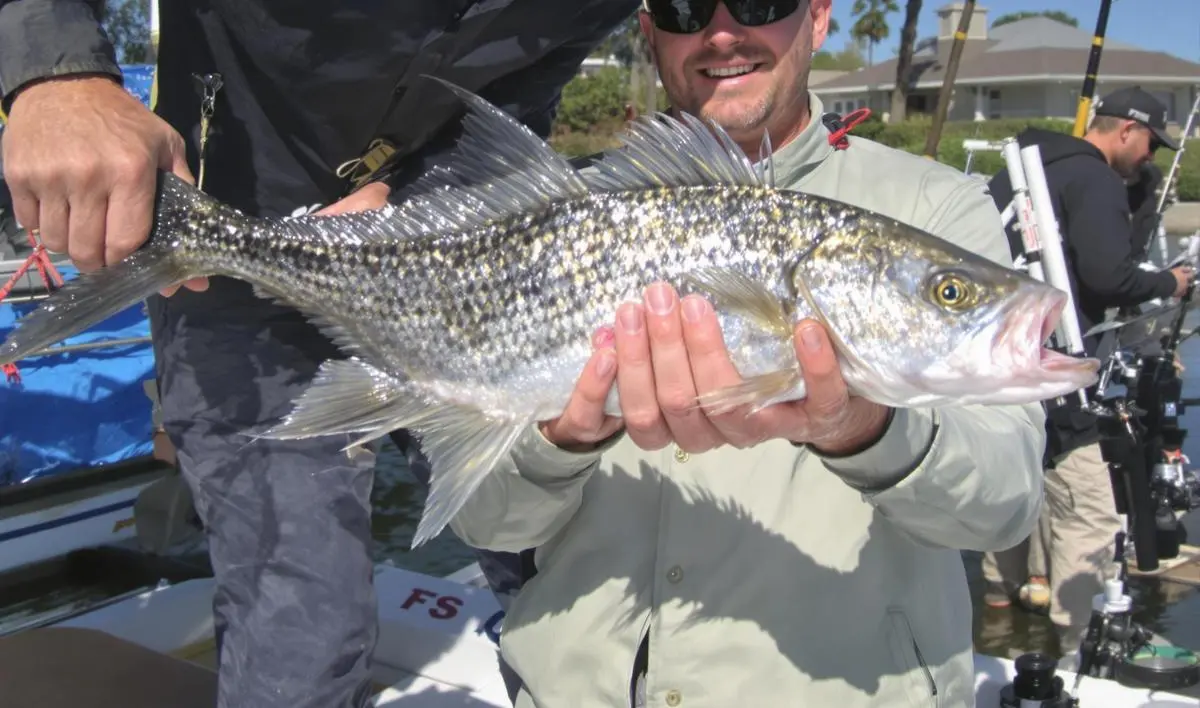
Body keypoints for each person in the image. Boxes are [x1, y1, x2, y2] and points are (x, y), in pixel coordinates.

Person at [0, 2, 638, 707]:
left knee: (574, 580)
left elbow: (519, 93)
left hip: (465, 266)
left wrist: (410, 196)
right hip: (227, 249)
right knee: (300, 634)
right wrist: (56, 75)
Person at [446, 1, 1048, 705]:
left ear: (817, 17)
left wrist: (865, 430)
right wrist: (563, 441)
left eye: (762, 1)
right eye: (685, 7)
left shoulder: (937, 205)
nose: (724, 33)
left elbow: (1003, 507)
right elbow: (487, 525)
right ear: (650, 34)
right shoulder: (551, 217)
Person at [981, 87, 1191, 653]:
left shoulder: (1019, 169)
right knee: (1092, 513)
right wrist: (1169, 282)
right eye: (1151, 143)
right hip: (1057, 370)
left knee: (1013, 488)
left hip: (999, 364)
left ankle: (997, 608)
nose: (1151, 156)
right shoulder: (1094, 178)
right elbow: (1109, 276)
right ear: (1126, 130)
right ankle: (1081, 640)